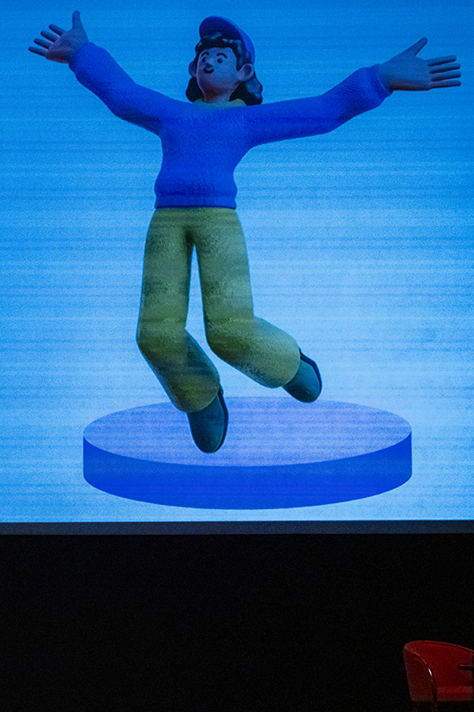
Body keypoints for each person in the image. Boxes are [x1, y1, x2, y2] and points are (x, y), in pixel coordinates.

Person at [29, 12, 461, 452]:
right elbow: (122, 94)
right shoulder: (170, 114)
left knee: (231, 330)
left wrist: (381, 78)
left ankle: (288, 365)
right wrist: (81, 52)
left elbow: (323, 110)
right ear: (193, 69)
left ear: (244, 72)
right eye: (204, 56)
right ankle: (199, 397)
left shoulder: (245, 122)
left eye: (221, 56)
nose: (210, 61)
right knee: (155, 334)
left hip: (218, 224)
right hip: (166, 224)